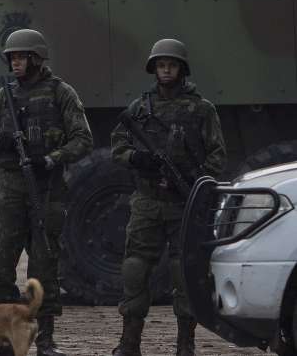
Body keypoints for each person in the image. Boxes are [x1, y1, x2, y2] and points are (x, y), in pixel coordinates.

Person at [0, 28, 93, 356]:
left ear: (37, 58)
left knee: (44, 268)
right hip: (10, 190)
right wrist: (4, 140)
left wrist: (51, 159)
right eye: (11, 57)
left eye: (21, 56)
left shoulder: (60, 93)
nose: (15, 62)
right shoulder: (4, 98)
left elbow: (83, 138)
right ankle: (1, 339)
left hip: (47, 191)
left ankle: (45, 341)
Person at [109, 39, 225, 356]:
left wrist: (197, 181)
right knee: (134, 270)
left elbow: (217, 155)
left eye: (171, 65)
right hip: (147, 201)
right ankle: (129, 342)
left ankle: (185, 344)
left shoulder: (201, 110)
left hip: (184, 204)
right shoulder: (139, 109)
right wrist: (137, 158)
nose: (165, 70)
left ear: (182, 69)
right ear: (153, 69)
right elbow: (118, 148)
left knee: (183, 274)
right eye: (160, 65)